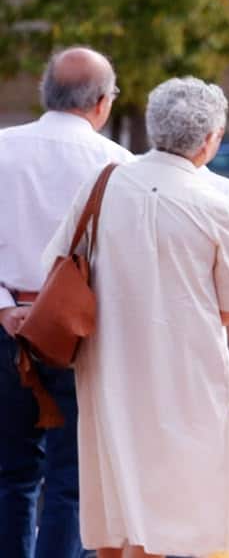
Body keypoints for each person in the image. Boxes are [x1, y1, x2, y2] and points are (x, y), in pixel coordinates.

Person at [43, 77, 229, 558]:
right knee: (171, 504)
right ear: (209, 139)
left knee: (113, 504)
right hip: (185, 371)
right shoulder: (219, 201)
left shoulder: (102, 182)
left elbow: (58, 262)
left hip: (108, 365)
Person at [0, 47, 132, 558]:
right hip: (80, 336)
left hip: (7, 329)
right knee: (72, 480)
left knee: (10, 476)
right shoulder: (118, 165)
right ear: (102, 102)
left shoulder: (3, 149)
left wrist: (7, 305)